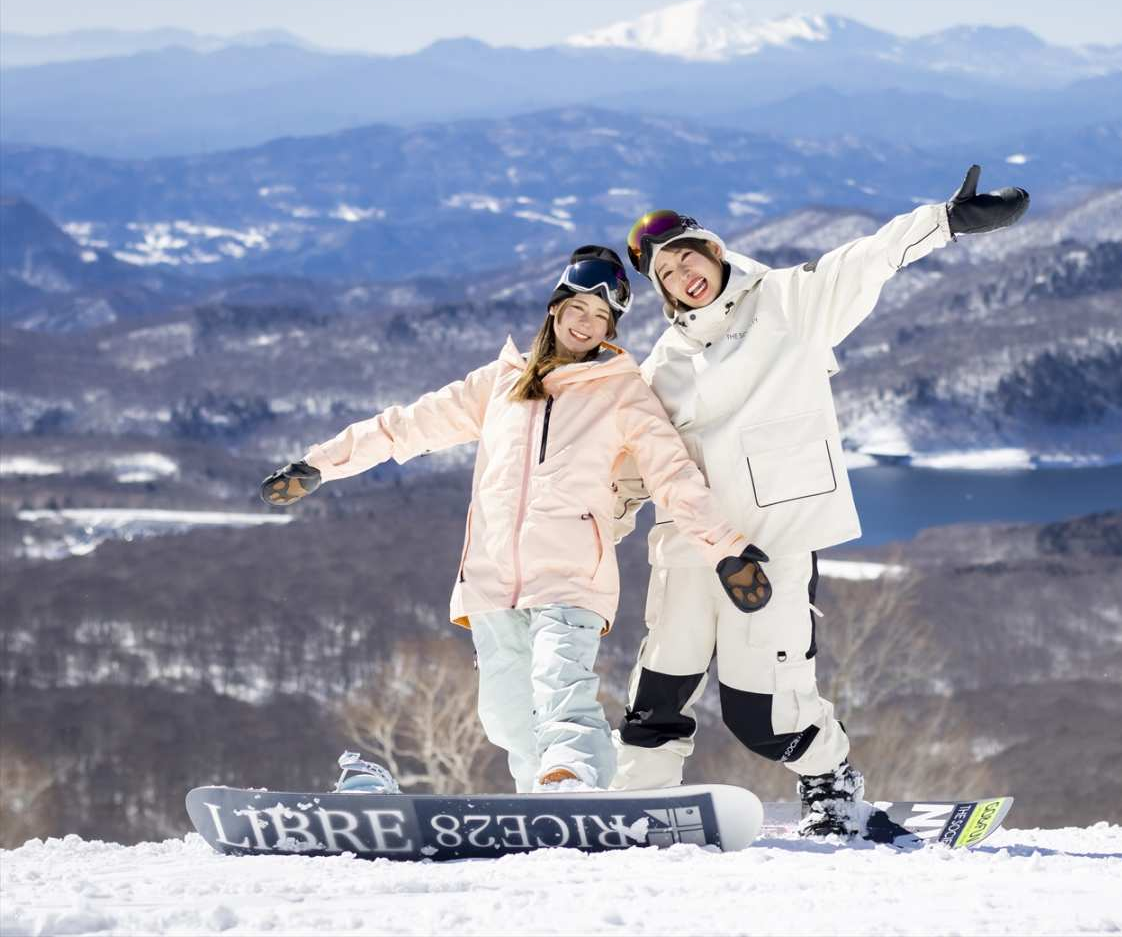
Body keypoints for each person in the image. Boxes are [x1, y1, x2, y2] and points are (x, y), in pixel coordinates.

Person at [257, 246, 769, 794]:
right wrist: (320, 465)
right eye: (580, 309)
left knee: (560, 688)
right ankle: (545, 806)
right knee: (506, 717)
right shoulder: (498, 383)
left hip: (571, 578)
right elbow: (403, 427)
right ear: (555, 308)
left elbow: (672, 474)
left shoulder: (622, 393)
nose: (588, 324)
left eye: (603, 318)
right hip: (491, 582)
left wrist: (726, 550)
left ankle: (575, 780)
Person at [611, 165, 1029, 836]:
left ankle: (831, 785)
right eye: (665, 275)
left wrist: (946, 220)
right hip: (691, 545)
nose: (682, 277)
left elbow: (867, 258)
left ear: (715, 251)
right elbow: (636, 464)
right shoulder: (664, 363)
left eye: (687, 258)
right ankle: (638, 802)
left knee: (761, 711)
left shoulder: (787, 304)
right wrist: (584, 532)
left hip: (771, 545)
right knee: (659, 685)